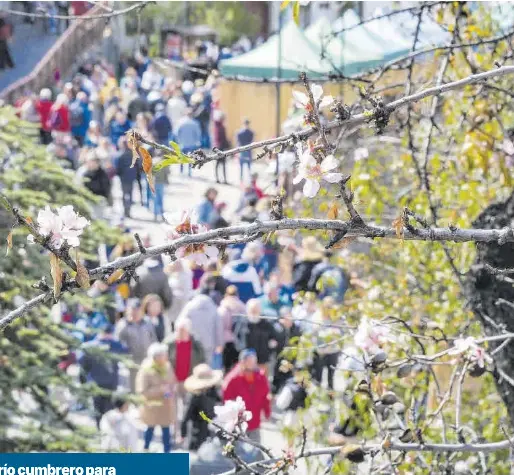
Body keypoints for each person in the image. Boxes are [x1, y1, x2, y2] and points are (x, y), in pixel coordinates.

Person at [79, 324, 128, 428]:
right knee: (108, 410)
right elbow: (126, 352)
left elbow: (82, 366)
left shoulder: (89, 346)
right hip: (110, 383)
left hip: (95, 383)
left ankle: (100, 430)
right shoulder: (115, 345)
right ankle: (108, 432)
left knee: (97, 410)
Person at [222, 349, 271, 443]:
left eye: (254, 361)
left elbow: (265, 396)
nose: (252, 363)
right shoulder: (233, 378)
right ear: (242, 361)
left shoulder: (260, 377)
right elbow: (227, 400)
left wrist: (267, 412)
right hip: (238, 424)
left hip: (255, 422)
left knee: (256, 450)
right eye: (249, 360)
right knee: (240, 452)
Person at [136, 343, 177, 453]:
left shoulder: (167, 366)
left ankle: (166, 453)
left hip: (166, 406)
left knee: (166, 430)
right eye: (163, 355)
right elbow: (142, 391)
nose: (165, 357)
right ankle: (145, 449)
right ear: (155, 357)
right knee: (150, 429)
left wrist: (171, 390)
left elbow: (173, 381)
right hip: (152, 407)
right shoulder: (146, 370)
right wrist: (160, 390)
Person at [117, 298, 157, 392]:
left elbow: (153, 339)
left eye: (137, 311)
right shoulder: (123, 325)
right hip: (131, 363)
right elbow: (119, 345)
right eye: (132, 311)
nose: (134, 314)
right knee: (132, 387)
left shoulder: (147, 322)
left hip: (147, 360)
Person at [181, 364, 223, 450]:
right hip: (197, 432)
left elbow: (218, 404)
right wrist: (183, 432)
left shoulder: (213, 390)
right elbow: (186, 416)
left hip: (211, 429)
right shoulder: (194, 396)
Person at [176, 293, 223, 367]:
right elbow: (219, 328)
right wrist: (219, 344)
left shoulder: (189, 307)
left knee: (193, 364)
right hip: (209, 344)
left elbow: (179, 323)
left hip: (193, 343)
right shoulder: (213, 308)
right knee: (207, 365)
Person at [271, 307, 302, 394]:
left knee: (289, 377)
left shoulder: (296, 328)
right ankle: (274, 392)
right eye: (286, 319)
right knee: (277, 375)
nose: (289, 321)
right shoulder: (276, 328)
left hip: (292, 358)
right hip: (278, 357)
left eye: (290, 319)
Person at [244, 299, 277, 375]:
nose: (254, 312)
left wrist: (271, 346)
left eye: (256, 310)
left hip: (263, 360)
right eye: (252, 310)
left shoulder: (266, 323)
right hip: (247, 362)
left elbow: (273, 338)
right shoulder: (244, 324)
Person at [218, 285, 246, 372]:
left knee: (227, 367)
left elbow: (220, 326)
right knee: (238, 368)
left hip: (226, 342)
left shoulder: (223, 308)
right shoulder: (242, 307)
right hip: (239, 341)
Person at [115, 136, 139, 218]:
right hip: (130, 177)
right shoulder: (132, 153)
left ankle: (126, 210)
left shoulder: (121, 155)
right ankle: (127, 210)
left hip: (124, 178)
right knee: (129, 194)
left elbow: (118, 167)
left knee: (125, 194)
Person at [166, 259, 193, 330]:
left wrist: (176, 294)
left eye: (178, 264)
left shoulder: (186, 275)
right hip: (172, 306)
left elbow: (187, 292)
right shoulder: (170, 275)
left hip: (182, 305)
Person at [176, 107, 201, 177]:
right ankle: (189, 172)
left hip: (182, 143)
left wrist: (178, 140)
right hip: (191, 143)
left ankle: (181, 171)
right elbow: (198, 134)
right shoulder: (195, 123)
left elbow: (177, 132)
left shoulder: (180, 122)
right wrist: (197, 141)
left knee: (182, 157)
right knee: (190, 158)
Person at [212, 111, 229, 184]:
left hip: (217, 147)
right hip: (220, 147)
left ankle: (218, 178)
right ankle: (221, 179)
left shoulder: (217, 126)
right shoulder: (220, 127)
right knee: (221, 164)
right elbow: (222, 138)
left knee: (218, 164)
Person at [236, 119, 254, 183]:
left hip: (242, 151)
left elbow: (238, 143)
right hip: (247, 151)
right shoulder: (250, 132)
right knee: (247, 167)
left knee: (243, 167)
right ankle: (247, 179)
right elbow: (251, 142)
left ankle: (242, 179)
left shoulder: (239, 132)